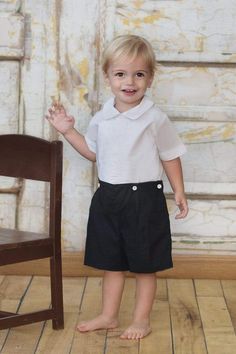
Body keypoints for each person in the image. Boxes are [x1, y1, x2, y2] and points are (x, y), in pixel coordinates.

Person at [46, 34, 188, 340]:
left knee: (144, 265)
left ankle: (141, 319)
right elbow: (93, 153)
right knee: (111, 263)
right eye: (121, 74)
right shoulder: (103, 117)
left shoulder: (154, 118)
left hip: (144, 199)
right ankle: (109, 316)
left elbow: (170, 155)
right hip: (108, 197)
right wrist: (69, 131)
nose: (130, 81)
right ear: (108, 77)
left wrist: (179, 190)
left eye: (139, 74)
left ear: (150, 79)